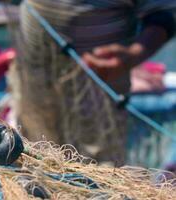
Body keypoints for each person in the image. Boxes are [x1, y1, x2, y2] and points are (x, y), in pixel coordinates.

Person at [9, 0, 175, 165]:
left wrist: (133, 54)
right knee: (33, 151)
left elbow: (164, 14)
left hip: (100, 87)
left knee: (96, 163)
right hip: (33, 77)